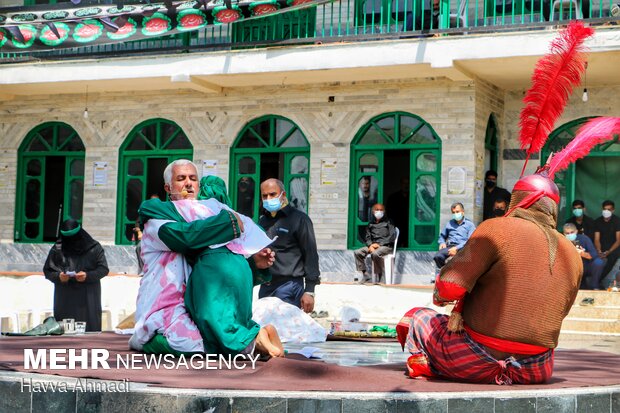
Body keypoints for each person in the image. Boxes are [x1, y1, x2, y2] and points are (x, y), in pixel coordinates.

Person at [398, 171, 583, 384]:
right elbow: (563, 311)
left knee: (417, 317)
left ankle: (431, 364)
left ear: (519, 200)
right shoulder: (573, 254)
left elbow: (449, 286)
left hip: (474, 359)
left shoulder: (495, 228)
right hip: (536, 369)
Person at [130, 160, 283, 357]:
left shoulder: (201, 215)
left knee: (198, 341)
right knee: (159, 339)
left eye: (193, 179)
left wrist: (254, 262)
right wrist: (228, 225)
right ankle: (253, 342)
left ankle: (254, 342)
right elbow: (186, 238)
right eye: (181, 179)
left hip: (192, 301)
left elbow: (216, 263)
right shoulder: (157, 220)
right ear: (168, 187)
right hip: (164, 301)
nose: (188, 184)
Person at [258, 178, 320, 313]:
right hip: (266, 286)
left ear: (283, 195)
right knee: (265, 329)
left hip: (289, 286)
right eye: (264, 196)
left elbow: (310, 254)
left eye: (273, 194)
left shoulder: (299, 219)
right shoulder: (263, 221)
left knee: (285, 332)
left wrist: (310, 290)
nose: (268, 198)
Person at [43, 219, 109, 332]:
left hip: (88, 296)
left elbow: (103, 269)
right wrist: (58, 276)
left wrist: (87, 275)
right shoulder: (58, 248)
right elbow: (48, 271)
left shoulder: (94, 248)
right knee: (65, 330)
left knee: (89, 330)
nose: (70, 241)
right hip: (65, 296)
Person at [353, 203, 397, 284]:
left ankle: (381, 276)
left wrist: (379, 245)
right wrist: (370, 245)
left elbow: (391, 237)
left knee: (375, 253)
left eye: (381, 210)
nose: (379, 212)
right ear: (373, 212)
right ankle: (365, 274)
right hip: (373, 246)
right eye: (377, 210)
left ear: (384, 212)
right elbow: (367, 237)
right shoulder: (370, 223)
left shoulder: (389, 222)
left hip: (386, 247)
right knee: (357, 252)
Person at [563, 223, 605, 290]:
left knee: (598, 262)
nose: (570, 234)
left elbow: (594, 255)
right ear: (564, 234)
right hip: (572, 269)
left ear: (576, 231)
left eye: (572, 232)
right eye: (567, 233)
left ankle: (594, 285)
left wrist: (582, 253)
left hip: (586, 266)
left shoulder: (584, 239)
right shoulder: (562, 242)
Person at [433, 202, 476, 268]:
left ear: (463, 212)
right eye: (453, 213)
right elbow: (442, 236)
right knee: (437, 257)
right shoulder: (449, 223)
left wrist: (456, 248)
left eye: (457, 212)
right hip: (449, 247)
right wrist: (442, 242)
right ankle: (444, 271)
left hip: (463, 248)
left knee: (460, 262)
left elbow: (470, 241)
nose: (455, 214)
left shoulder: (470, 225)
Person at [593, 200, 620, 286]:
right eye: (605, 209)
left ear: (613, 210)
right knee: (597, 262)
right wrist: (599, 250)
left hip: (614, 250)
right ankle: (596, 284)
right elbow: (597, 239)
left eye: (609, 209)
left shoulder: (617, 221)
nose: (606, 211)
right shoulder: (597, 221)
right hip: (602, 249)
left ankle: (603, 283)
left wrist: (609, 251)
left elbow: (618, 240)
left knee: (612, 261)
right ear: (602, 209)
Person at [386, 177, 410, 247]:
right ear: (401, 184)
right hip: (397, 226)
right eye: (404, 183)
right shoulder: (393, 197)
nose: (406, 185)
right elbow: (389, 213)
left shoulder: (414, 197)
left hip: (409, 226)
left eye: (408, 183)